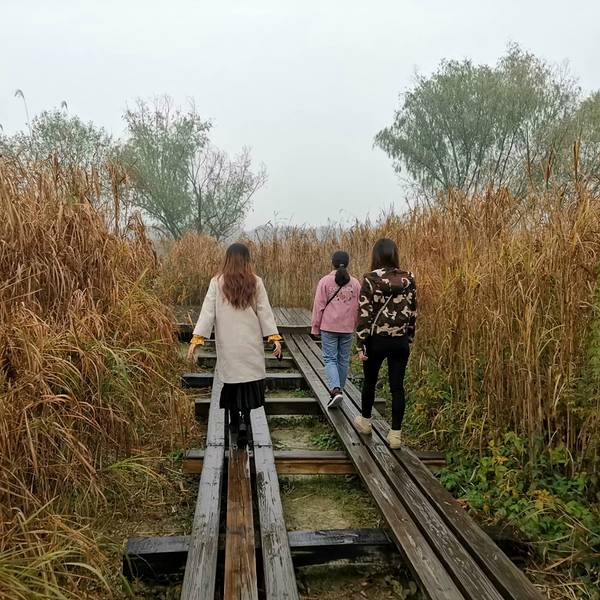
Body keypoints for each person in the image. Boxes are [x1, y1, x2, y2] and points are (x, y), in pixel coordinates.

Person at [187, 243, 282, 448]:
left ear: (227, 259)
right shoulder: (255, 281)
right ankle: (245, 421)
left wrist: (197, 339)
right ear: (247, 259)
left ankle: (234, 421)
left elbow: (207, 312)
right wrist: (274, 337)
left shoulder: (217, 282)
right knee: (247, 382)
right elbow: (264, 311)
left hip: (228, 342)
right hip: (250, 341)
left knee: (232, 382)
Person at [354, 238, 416, 449]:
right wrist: (409, 337)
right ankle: (396, 435)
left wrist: (361, 342)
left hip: (376, 341)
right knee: (397, 387)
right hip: (400, 341)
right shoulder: (409, 278)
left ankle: (365, 422)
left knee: (370, 381)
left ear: (376, 256)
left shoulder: (370, 279)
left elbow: (364, 314)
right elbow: (413, 311)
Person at [311, 250, 361, 408]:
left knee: (330, 359)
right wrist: (356, 326)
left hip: (329, 327)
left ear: (332, 263)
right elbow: (359, 308)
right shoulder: (355, 283)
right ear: (348, 263)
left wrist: (315, 327)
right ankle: (340, 390)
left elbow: (318, 306)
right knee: (343, 360)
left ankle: (335, 390)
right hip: (347, 328)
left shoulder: (325, 281)